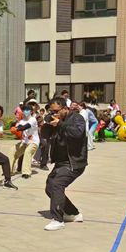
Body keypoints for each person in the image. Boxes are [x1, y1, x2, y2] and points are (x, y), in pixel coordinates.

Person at [44, 98, 88, 231]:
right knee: (50, 187)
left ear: (65, 108)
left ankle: (58, 219)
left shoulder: (77, 118)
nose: (54, 114)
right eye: (52, 111)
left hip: (73, 162)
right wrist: (46, 123)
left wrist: (60, 124)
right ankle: (74, 214)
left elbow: (78, 133)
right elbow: (45, 135)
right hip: (60, 162)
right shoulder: (55, 120)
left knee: (57, 184)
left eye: (56, 111)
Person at [11, 103, 40, 179]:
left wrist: (17, 129)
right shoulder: (22, 120)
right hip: (25, 142)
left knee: (27, 152)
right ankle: (10, 171)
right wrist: (14, 128)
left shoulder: (33, 119)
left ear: (31, 111)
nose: (25, 111)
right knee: (12, 151)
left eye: (27, 110)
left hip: (33, 142)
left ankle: (26, 172)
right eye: (24, 110)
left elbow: (26, 126)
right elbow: (20, 126)